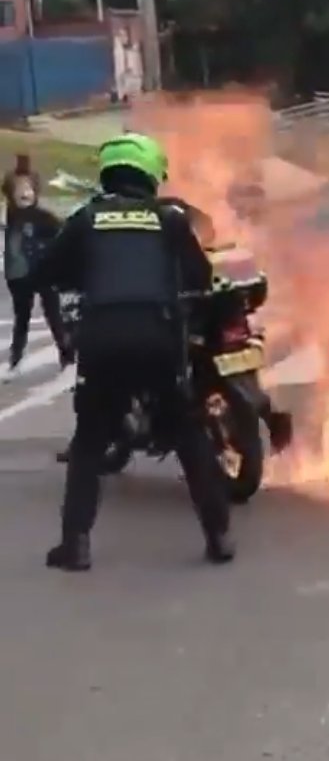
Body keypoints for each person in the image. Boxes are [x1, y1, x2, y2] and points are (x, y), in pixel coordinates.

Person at [31, 132, 234, 571]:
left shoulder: (87, 218)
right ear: (151, 175)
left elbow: (47, 270)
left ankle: (76, 546)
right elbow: (200, 276)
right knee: (188, 434)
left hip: (102, 337)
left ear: (108, 173)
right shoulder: (170, 220)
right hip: (159, 337)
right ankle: (218, 536)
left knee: (88, 442)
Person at [2, 164, 71, 379]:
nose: (24, 193)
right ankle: (16, 360)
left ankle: (67, 357)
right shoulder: (11, 216)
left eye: (29, 188)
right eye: (19, 189)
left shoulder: (44, 217)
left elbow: (62, 236)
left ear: (36, 191)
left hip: (44, 272)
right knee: (21, 318)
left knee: (54, 315)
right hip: (21, 277)